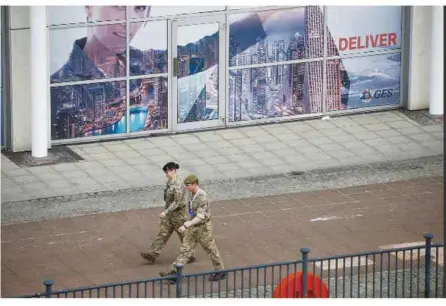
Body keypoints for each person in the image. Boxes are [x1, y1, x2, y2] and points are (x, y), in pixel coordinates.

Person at [160, 174, 225, 283]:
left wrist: (186, 225)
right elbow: (192, 212)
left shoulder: (202, 197)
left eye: (188, 185)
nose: (186, 187)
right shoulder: (192, 194)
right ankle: (175, 273)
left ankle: (220, 271)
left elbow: (200, 217)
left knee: (211, 250)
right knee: (185, 250)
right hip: (193, 228)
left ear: (195, 184)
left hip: (203, 229)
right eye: (186, 185)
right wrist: (188, 222)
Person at [139, 162, 196, 264]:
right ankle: (153, 254)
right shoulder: (169, 182)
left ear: (174, 170)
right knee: (163, 233)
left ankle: (190, 255)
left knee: (184, 236)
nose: (167, 173)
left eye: (169, 171)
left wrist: (166, 212)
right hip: (170, 215)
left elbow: (177, 202)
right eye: (166, 171)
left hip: (179, 215)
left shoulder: (178, 184)